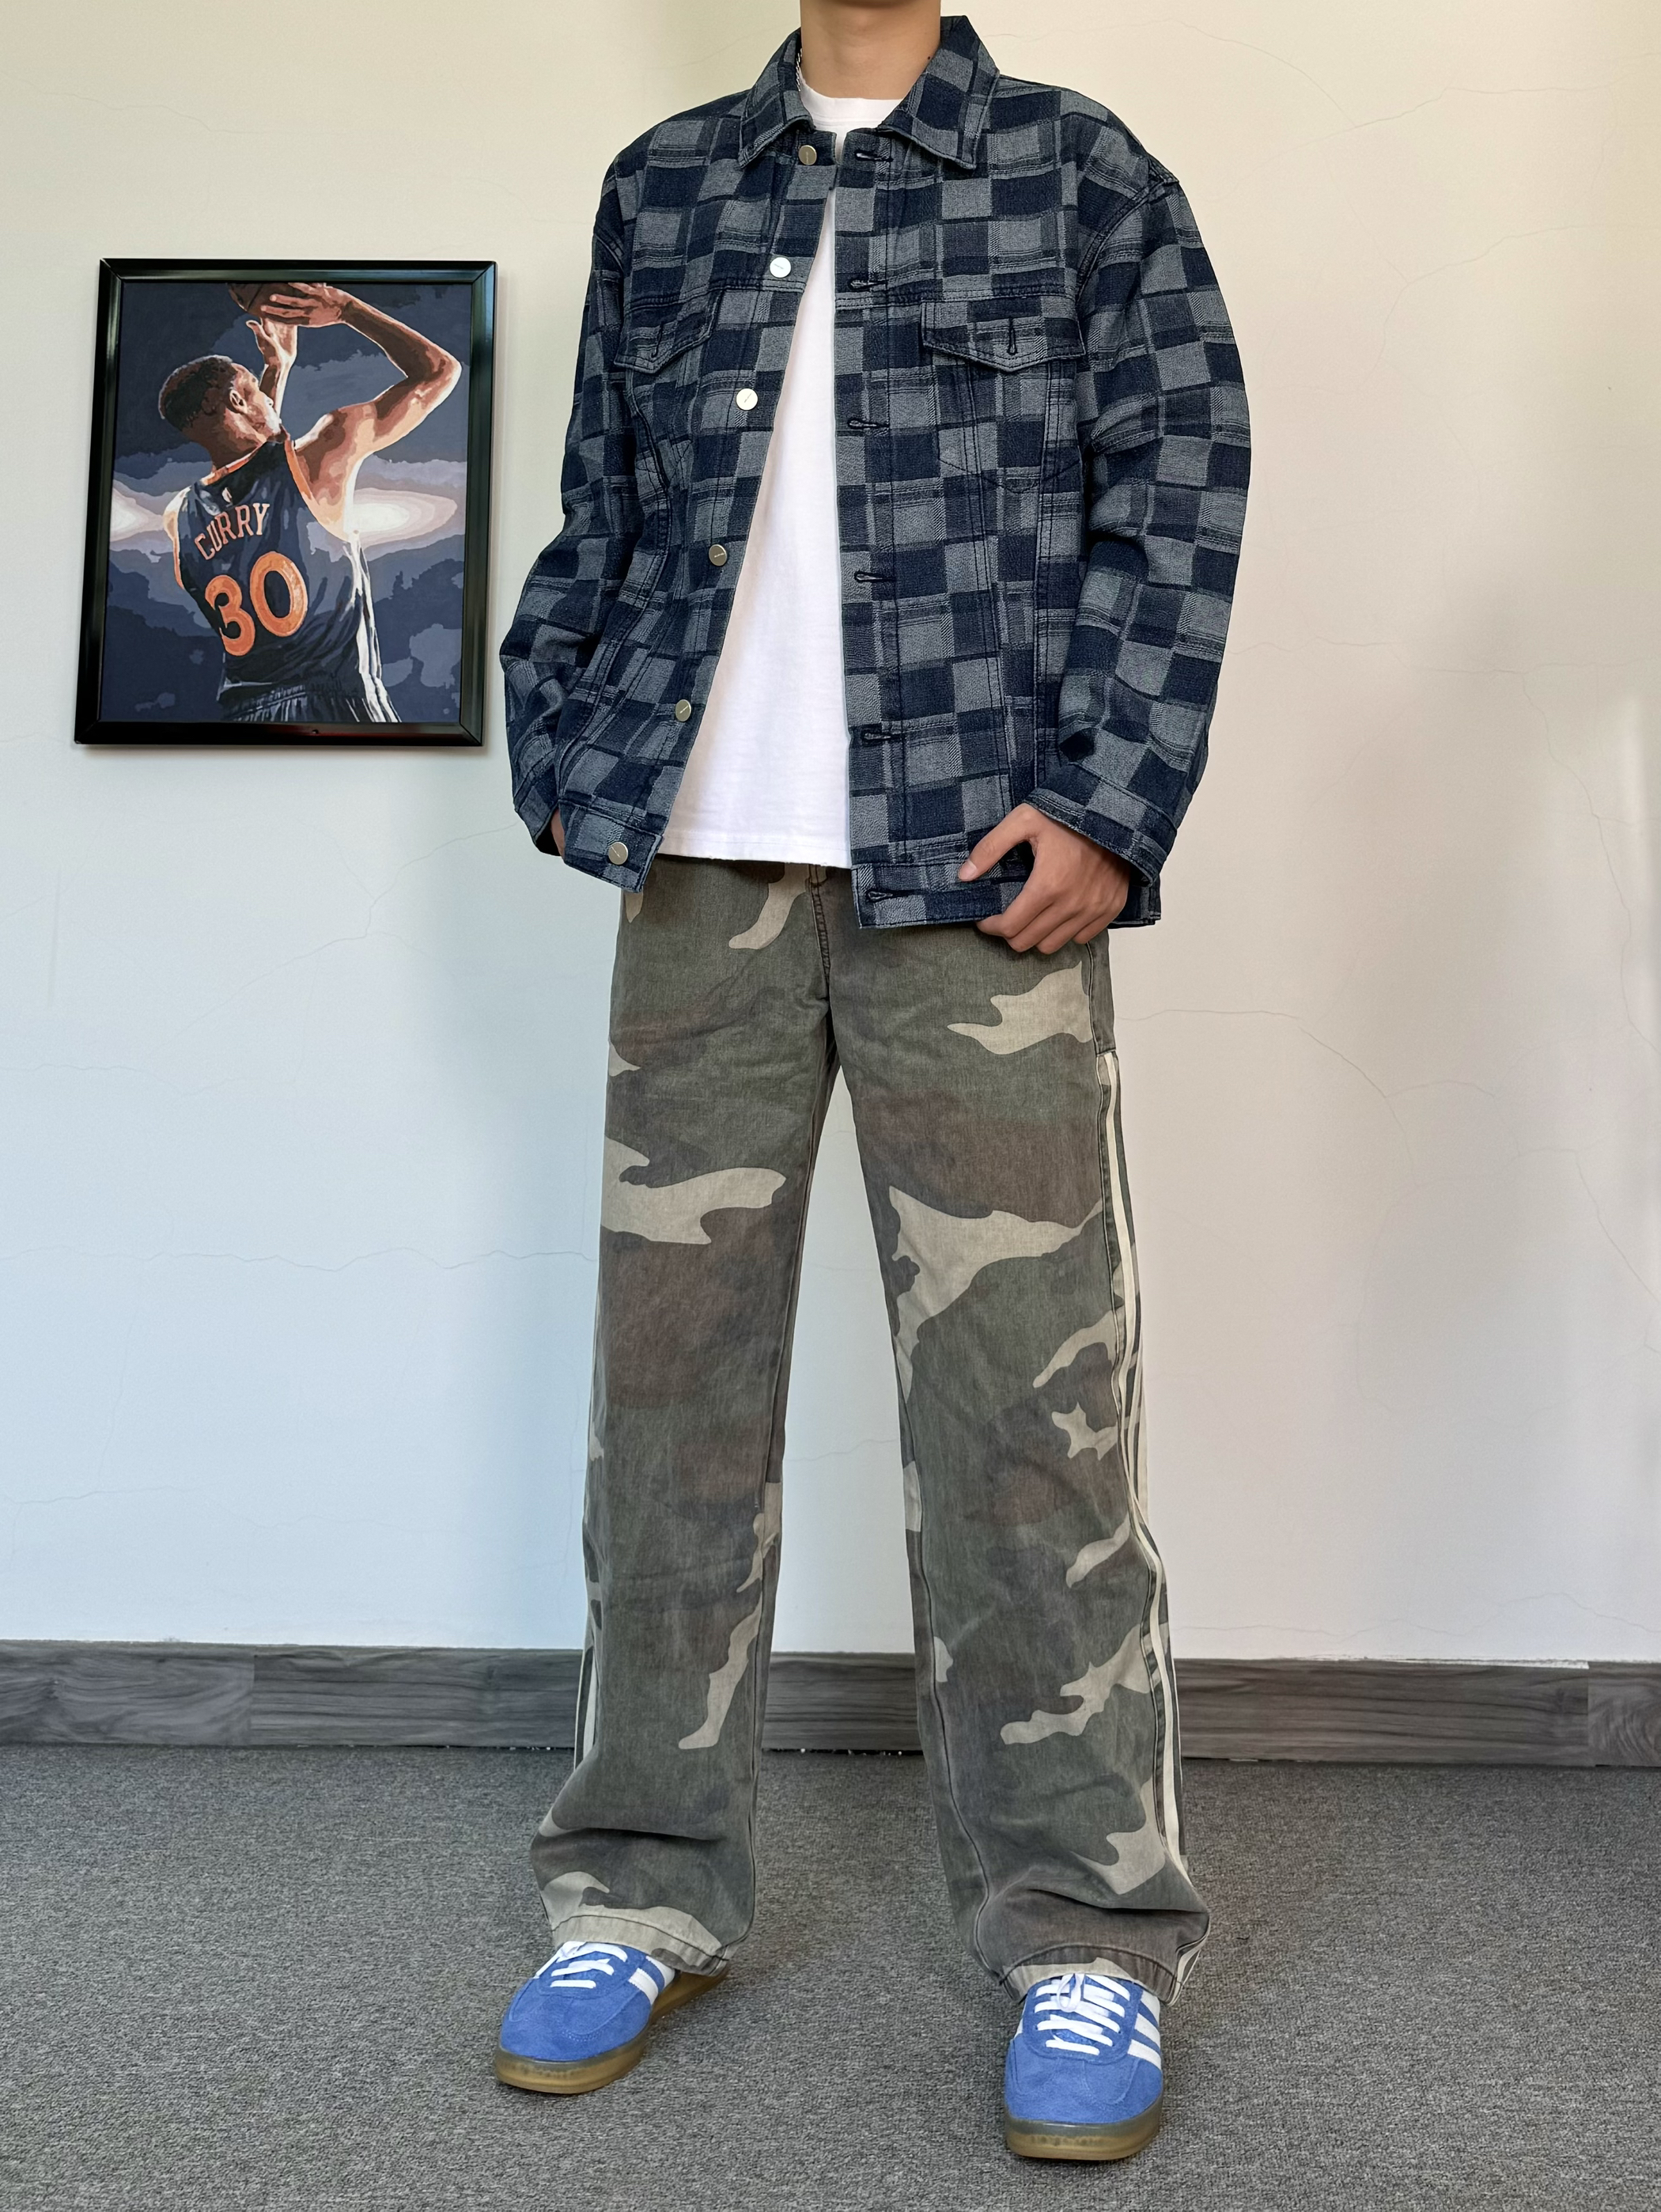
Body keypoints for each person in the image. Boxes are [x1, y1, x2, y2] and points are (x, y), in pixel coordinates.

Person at [498, 0, 1247, 2164]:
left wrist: (1108, 800)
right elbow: (603, 505)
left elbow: (1179, 491)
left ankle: (1087, 1924)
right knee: (669, 1409)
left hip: (974, 884)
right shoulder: (666, 185)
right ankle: (636, 1886)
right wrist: (565, 740)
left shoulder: (1080, 172)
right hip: (698, 876)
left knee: (1030, 1414)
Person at [159, 283, 460, 725]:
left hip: (245, 722)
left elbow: (259, 469)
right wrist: (347, 308)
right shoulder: (325, 451)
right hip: (338, 704)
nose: (267, 398)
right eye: (255, 390)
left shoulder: (178, 517)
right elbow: (439, 372)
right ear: (237, 401)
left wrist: (276, 370)